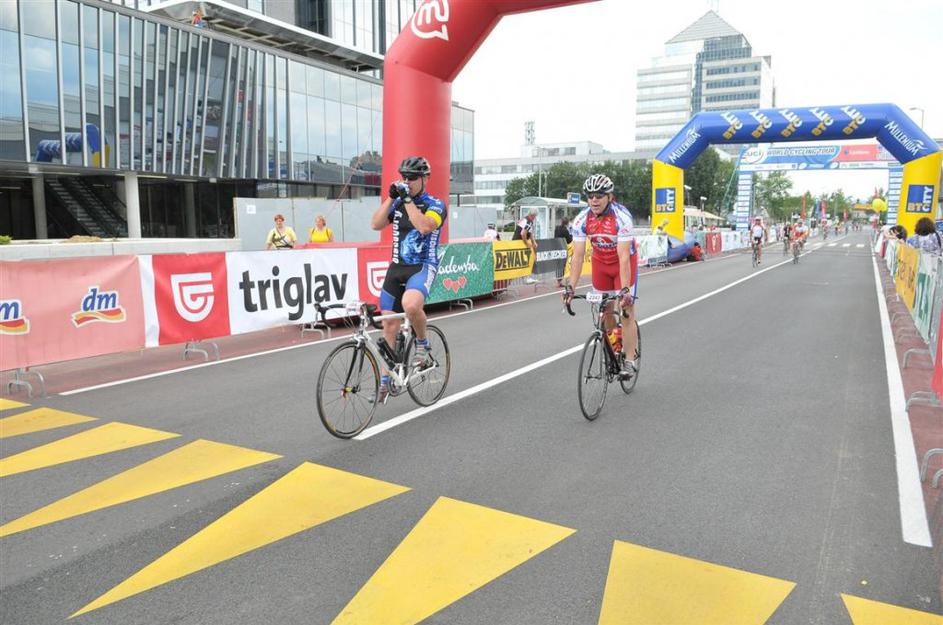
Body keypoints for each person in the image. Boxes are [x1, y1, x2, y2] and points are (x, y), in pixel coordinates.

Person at [370, 155, 446, 404]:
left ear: (425, 179)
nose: (407, 182)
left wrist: (407, 200)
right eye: (404, 177)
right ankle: (385, 380)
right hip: (397, 267)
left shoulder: (436, 205)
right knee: (389, 325)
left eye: (412, 178)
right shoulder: (398, 202)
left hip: (422, 266)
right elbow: (375, 224)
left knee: (411, 305)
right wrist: (391, 198)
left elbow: (424, 227)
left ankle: (422, 344)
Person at [563, 174, 639, 380]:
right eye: (590, 196)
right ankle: (615, 347)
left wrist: (625, 290)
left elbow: (624, 256)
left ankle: (629, 360)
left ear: (609, 197)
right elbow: (578, 257)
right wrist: (570, 287)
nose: (594, 200)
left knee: (626, 311)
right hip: (601, 264)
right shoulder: (581, 220)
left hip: (623, 264)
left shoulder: (622, 217)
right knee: (605, 311)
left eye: (599, 196)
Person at [514, 208, 538, 283]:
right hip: (519, 243)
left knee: (524, 260)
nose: (535, 218)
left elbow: (529, 233)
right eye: (535, 216)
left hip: (516, 242)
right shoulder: (529, 221)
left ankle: (526, 277)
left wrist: (533, 242)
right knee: (526, 259)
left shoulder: (525, 219)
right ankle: (526, 277)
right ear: (534, 215)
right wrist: (527, 243)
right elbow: (523, 234)